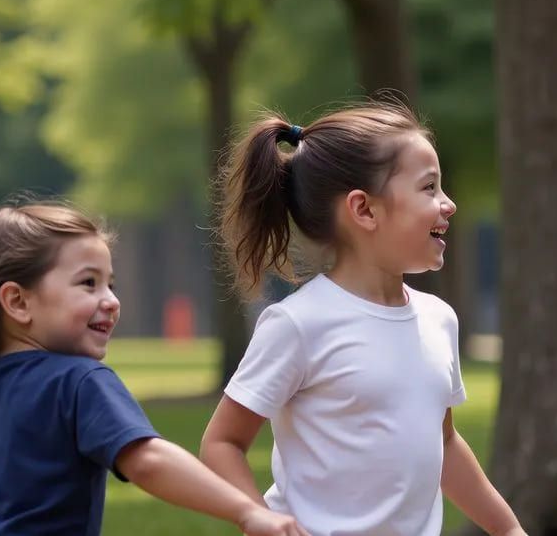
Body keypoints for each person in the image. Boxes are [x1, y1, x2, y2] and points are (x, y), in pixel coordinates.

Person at [0, 203, 308, 536]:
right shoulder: (79, 383)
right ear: (17, 302)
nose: (111, 300)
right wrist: (248, 510)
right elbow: (149, 461)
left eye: (110, 284)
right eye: (88, 283)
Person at [199, 102, 524, 536]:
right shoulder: (298, 325)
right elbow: (221, 443)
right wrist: (261, 519)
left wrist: (508, 529)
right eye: (429, 188)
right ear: (365, 210)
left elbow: (443, 443)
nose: (449, 204)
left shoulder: (438, 320)